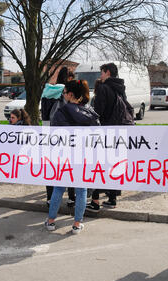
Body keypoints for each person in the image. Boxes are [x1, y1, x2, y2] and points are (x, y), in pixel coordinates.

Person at [45, 79, 100, 234]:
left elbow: (54, 136)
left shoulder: (61, 112)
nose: (63, 95)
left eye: (64, 92)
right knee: (81, 190)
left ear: (70, 94)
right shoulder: (90, 113)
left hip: (64, 157)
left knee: (58, 188)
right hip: (83, 157)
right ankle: (77, 224)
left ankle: (50, 221)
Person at [86, 62, 125, 212]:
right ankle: (112, 199)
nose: (100, 75)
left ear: (107, 72)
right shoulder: (120, 88)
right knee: (114, 166)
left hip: (104, 131)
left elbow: (98, 112)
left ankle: (95, 201)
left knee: (99, 166)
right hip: (118, 131)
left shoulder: (103, 88)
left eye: (101, 72)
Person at [41, 66, 76, 208]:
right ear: (68, 78)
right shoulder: (67, 92)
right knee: (69, 164)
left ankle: (50, 197)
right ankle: (71, 197)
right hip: (64, 132)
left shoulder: (46, 91)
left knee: (50, 166)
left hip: (47, 132)